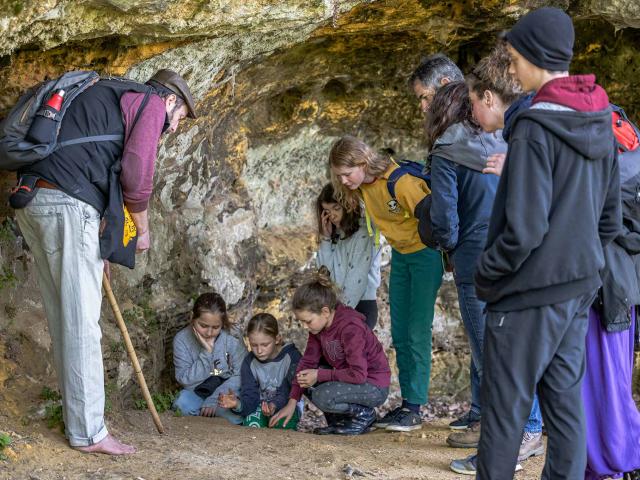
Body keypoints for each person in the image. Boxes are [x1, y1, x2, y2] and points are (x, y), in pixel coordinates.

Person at [13, 69, 196, 455]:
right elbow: (136, 172)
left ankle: (77, 420)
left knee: (67, 318)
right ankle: (89, 432)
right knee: (82, 325)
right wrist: (141, 229)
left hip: (35, 201)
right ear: (171, 101)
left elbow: (92, 161)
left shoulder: (106, 95)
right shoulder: (148, 104)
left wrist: (101, 247)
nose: (174, 128)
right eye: (179, 118)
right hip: (67, 205)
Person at [474, 8, 621, 479]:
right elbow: (609, 218)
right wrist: (582, 263)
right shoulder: (602, 116)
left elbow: (524, 230)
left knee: (503, 416)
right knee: (565, 409)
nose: (511, 67)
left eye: (515, 56)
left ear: (535, 56)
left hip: (526, 295)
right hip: (577, 287)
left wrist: (488, 272)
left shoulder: (535, 127)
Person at [447, 46, 544, 476]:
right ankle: (515, 438)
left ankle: (524, 435)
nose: (469, 110)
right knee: (505, 358)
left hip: (518, 267)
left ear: (488, 97)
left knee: (501, 360)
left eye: (471, 100)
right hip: (518, 266)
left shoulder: (523, 132)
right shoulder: (512, 137)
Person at [329, 136, 443, 432]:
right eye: (338, 175)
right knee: (401, 331)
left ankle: (415, 407)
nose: (343, 180)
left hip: (425, 255)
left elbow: (436, 216)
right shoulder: (364, 187)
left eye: (346, 173)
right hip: (403, 256)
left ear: (363, 162)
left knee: (417, 330)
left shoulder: (399, 181)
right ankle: (408, 403)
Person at [269, 270, 391, 435]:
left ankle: (364, 416)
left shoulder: (350, 328)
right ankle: (340, 422)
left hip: (373, 385)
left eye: (308, 321)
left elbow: (358, 374)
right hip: (348, 379)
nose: (305, 326)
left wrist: (319, 375)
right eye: (301, 322)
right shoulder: (318, 328)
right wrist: (292, 402)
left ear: (325, 312)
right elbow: (308, 362)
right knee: (296, 372)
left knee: (322, 395)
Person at [172, 292, 247, 425]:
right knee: (181, 404)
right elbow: (185, 380)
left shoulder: (232, 338)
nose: (209, 333)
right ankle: (208, 414)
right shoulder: (181, 340)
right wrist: (207, 353)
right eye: (203, 326)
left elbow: (241, 374)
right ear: (192, 317)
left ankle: (210, 413)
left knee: (235, 416)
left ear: (222, 323)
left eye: (215, 327)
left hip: (226, 392)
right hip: (198, 391)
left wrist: (213, 399)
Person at [217, 313, 302, 429]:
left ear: (277, 338)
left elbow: (287, 390)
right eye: (254, 345)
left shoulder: (291, 356)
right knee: (252, 425)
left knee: (281, 428)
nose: (259, 351)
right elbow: (250, 395)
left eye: (265, 345)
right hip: (259, 406)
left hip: (286, 404)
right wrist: (237, 404)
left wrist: (273, 405)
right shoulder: (249, 363)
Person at [316, 183, 381, 329]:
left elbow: (356, 281)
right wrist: (325, 239)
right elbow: (324, 272)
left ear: (348, 206)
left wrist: (337, 317)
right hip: (336, 308)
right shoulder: (336, 234)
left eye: (336, 208)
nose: (331, 215)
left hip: (359, 307)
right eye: (326, 211)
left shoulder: (364, 234)